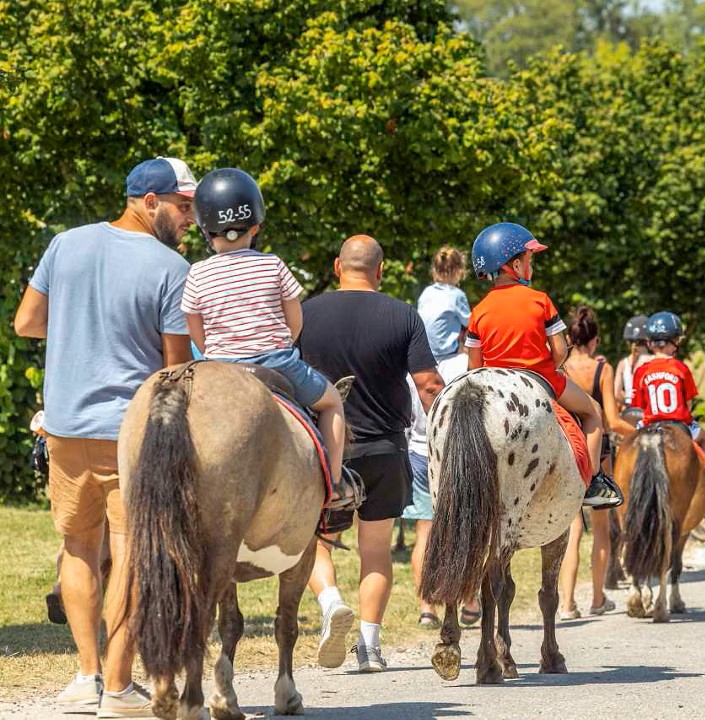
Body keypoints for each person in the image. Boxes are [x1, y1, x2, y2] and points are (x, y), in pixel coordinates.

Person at [14, 156, 197, 717]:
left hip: (65, 427)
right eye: (182, 206)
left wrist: (79, 324)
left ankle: (87, 676)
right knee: (135, 557)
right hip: (130, 435)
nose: (190, 217)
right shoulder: (171, 269)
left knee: (78, 548)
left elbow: (26, 322)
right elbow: (174, 369)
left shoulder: (64, 244)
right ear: (149, 201)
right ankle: (118, 688)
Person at [299, 235, 445, 673]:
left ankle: (330, 604)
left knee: (313, 543)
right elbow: (428, 386)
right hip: (386, 448)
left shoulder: (305, 314)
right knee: (376, 549)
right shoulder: (403, 315)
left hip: (326, 450)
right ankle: (370, 647)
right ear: (380, 271)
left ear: (336, 266)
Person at [181, 168, 359, 511]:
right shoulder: (273, 265)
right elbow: (295, 320)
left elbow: (195, 328)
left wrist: (217, 351)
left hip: (219, 368)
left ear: (204, 228)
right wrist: (277, 344)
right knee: (332, 402)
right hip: (275, 362)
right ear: (256, 225)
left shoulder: (198, 272)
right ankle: (334, 486)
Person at [465, 222, 622, 509]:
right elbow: (560, 351)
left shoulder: (478, 311)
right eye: (529, 259)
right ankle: (592, 481)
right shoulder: (540, 301)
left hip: (495, 387)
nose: (531, 265)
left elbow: (474, 367)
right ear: (514, 264)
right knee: (593, 411)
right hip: (541, 379)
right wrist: (553, 362)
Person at [558, 307, 637, 620]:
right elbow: (612, 421)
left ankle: (566, 604)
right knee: (601, 529)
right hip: (596, 455)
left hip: (565, 450)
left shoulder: (560, 367)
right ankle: (597, 597)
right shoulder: (602, 368)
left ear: (571, 337)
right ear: (596, 340)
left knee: (571, 529)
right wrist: (640, 433)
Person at [401, 349, 481, 628]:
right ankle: (469, 598)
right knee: (465, 527)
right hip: (457, 456)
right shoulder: (466, 364)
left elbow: (408, 419)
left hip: (421, 453)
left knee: (425, 531)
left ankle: (427, 608)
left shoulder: (414, 366)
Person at [631, 311, 705, 506]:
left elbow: (639, 406)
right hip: (677, 423)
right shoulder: (681, 368)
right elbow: (688, 404)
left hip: (649, 425)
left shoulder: (640, 371)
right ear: (674, 341)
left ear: (650, 343)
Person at [417, 246, 471, 362]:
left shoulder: (426, 292)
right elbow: (470, 322)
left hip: (423, 353)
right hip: (447, 356)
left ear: (435, 270)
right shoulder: (456, 295)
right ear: (458, 271)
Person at [613, 315, 653, 409]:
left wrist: (628, 403)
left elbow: (616, 394)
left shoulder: (623, 363)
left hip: (630, 411)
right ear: (648, 341)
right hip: (649, 410)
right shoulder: (654, 360)